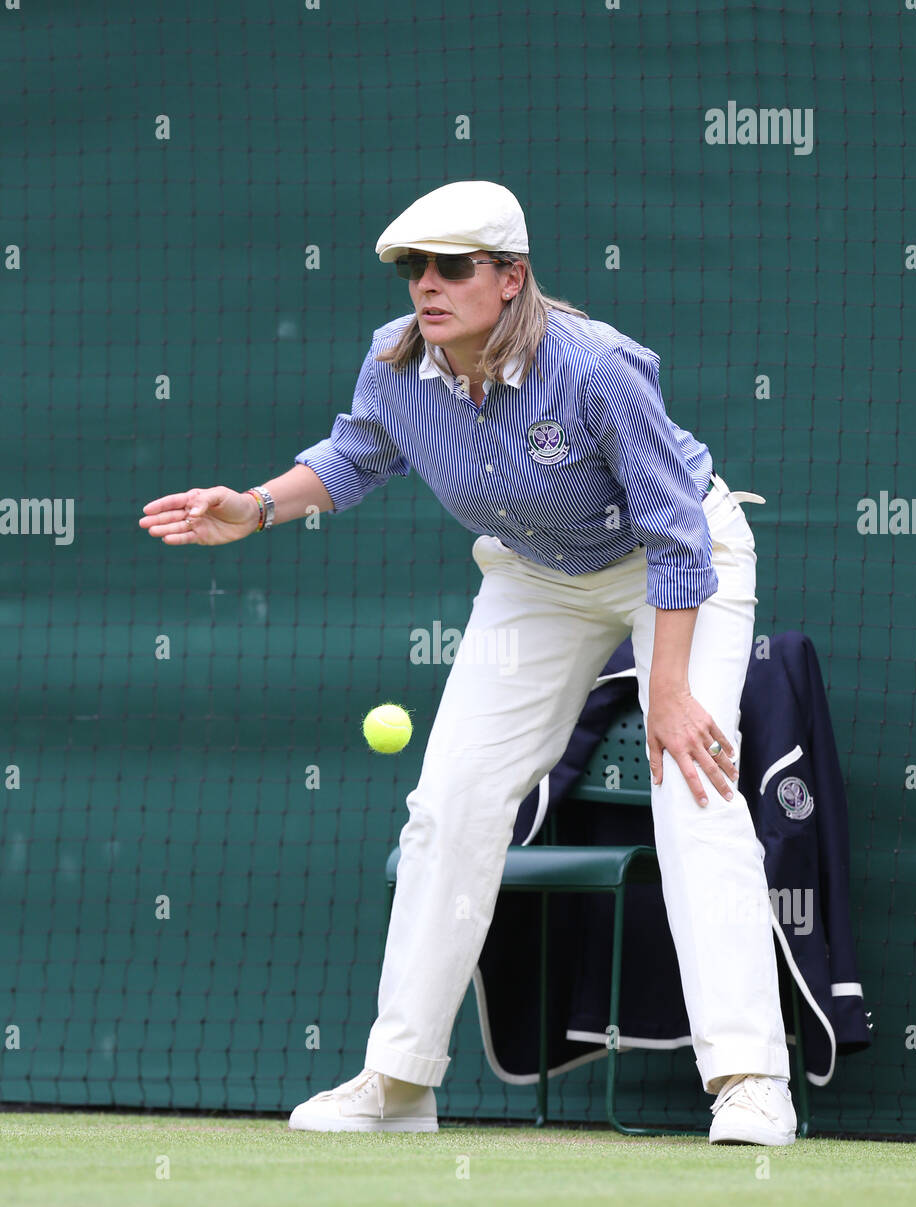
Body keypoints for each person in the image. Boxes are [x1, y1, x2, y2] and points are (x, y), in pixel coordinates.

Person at [139, 180, 797, 1145]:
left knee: (692, 787)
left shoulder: (596, 368)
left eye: (452, 267)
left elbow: (676, 532)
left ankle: (749, 1079)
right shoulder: (397, 360)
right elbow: (356, 456)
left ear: (511, 277)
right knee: (449, 803)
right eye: (415, 269)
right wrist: (256, 505)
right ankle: (399, 1081)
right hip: (536, 577)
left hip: (676, 562)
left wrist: (666, 693)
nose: (427, 285)